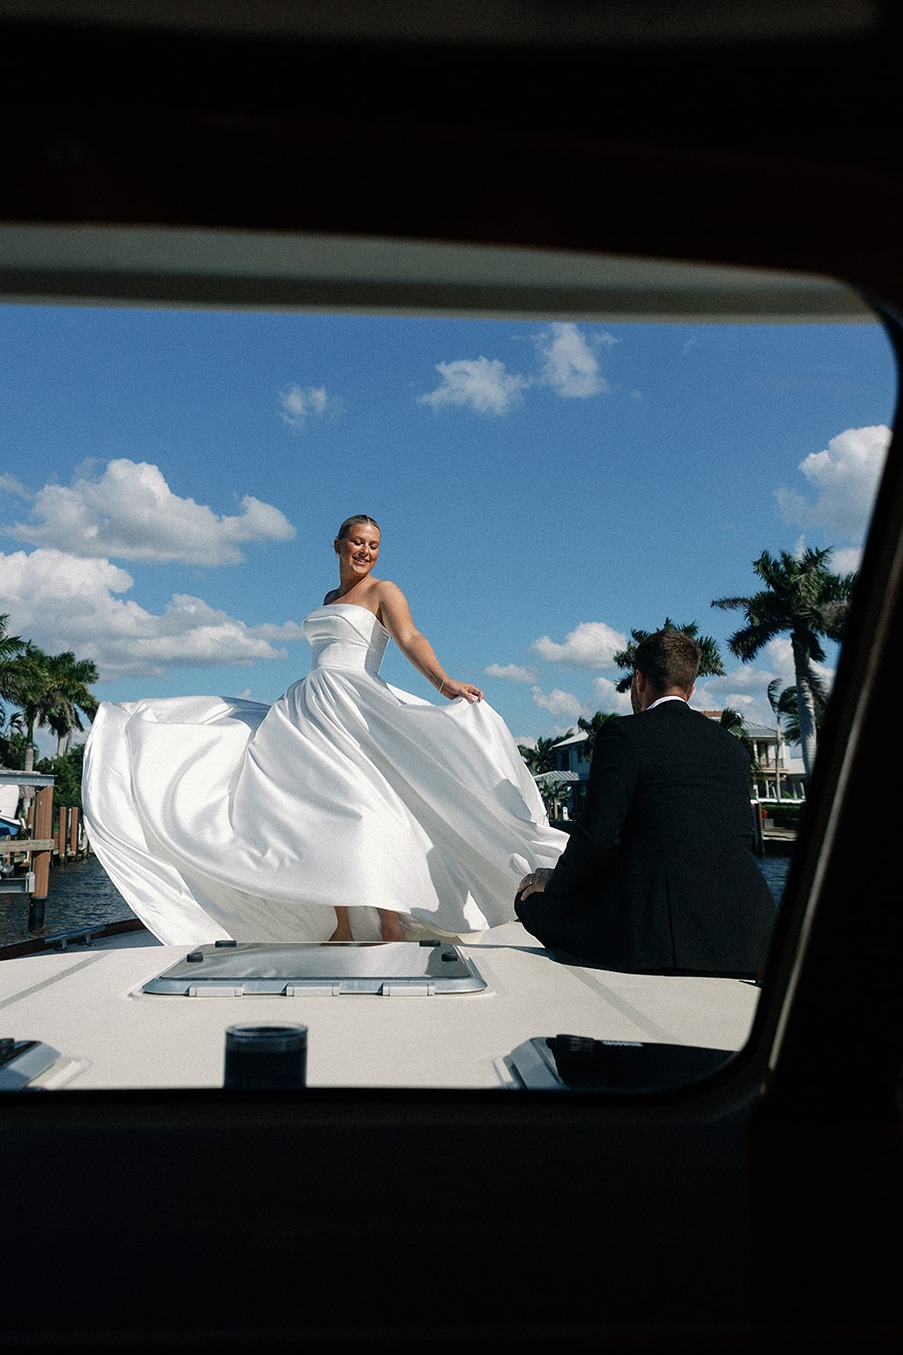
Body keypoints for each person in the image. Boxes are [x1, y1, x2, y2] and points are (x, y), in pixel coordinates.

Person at [83, 514, 567, 945]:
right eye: (358, 542)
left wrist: (444, 683)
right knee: (320, 808)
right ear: (336, 544)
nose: (365, 552)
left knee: (365, 805)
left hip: (356, 703)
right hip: (311, 706)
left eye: (374, 545)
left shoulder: (384, 591)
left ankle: (391, 920)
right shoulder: (330, 598)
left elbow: (410, 637)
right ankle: (343, 923)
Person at [515, 629, 776, 977]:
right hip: (749, 937)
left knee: (528, 902)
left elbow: (597, 839)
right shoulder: (731, 747)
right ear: (691, 687)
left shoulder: (623, 736)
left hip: (655, 940)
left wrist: (554, 881)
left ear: (638, 680)